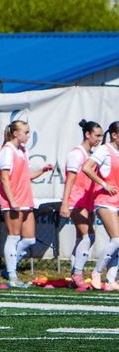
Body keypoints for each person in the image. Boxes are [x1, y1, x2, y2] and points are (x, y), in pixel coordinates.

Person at [0, 120, 53, 288]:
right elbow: (4, 178)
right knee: (13, 237)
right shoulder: (7, 150)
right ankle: (12, 276)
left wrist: (42, 170)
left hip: (25, 199)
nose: (28, 135)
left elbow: (25, 176)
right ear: (16, 134)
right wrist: (12, 200)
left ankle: (9, 268)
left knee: (29, 239)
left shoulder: (23, 150)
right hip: (13, 200)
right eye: (26, 132)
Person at [60, 119, 109, 290]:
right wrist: (65, 203)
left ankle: (75, 275)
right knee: (88, 236)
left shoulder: (91, 155)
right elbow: (70, 180)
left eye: (101, 136)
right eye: (97, 135)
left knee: (83, 238)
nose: (99, 139)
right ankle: (78, 274)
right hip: (76, 200)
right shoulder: (76, 154)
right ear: (87, 134)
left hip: (87, 201)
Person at [83, 121, 119, 290]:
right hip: (105, 202)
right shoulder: (104, 150)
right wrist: (104, 185)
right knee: (117, 240)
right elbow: (87, 168)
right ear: (114, 135)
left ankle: (111, 280)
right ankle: (96, 272)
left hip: (117, 202)